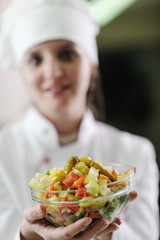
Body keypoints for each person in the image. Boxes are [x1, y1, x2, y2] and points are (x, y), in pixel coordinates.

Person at [0, 0, 159, 240]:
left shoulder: (136, 152)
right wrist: (27, 234)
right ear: (23, 72)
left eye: (67, 54)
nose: (53, 71)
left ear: (92, 66)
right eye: (35, 59)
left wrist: (106, 222)